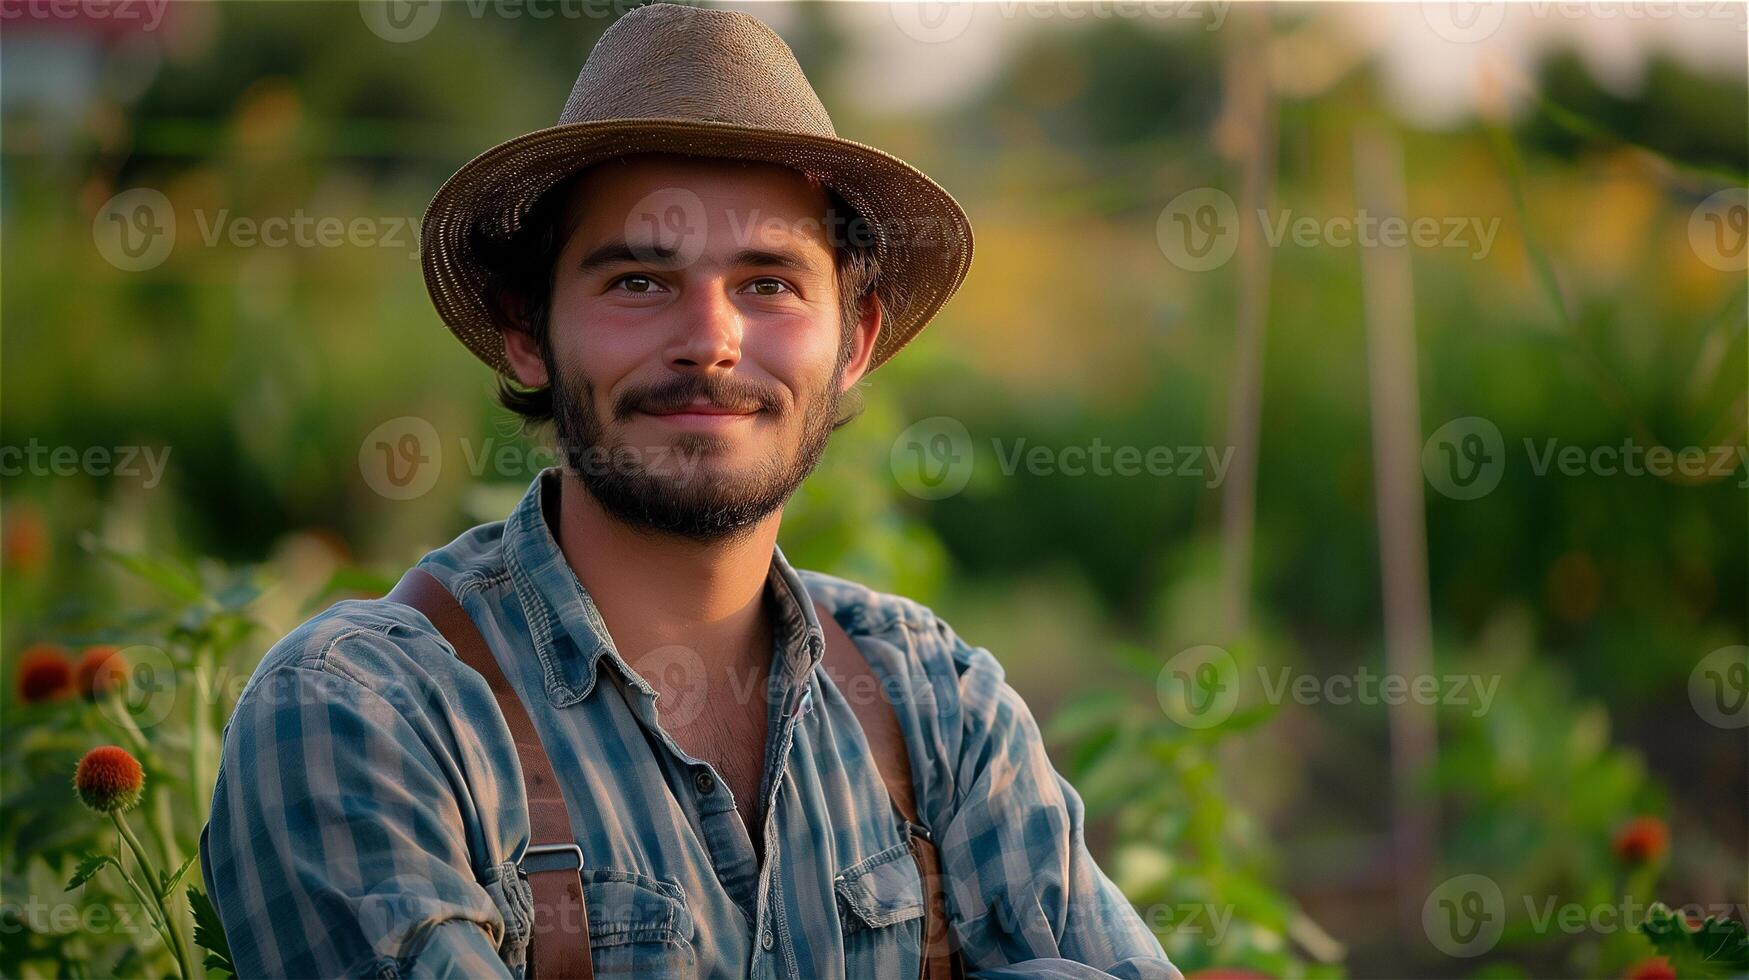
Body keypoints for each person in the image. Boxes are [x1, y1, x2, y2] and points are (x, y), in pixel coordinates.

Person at [199, 5, 1182, 978]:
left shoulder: (938, 707)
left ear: (857, 341)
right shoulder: (364, 709)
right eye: (637, 280)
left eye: (769, 283)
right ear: (528, 329)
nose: (709, 339)